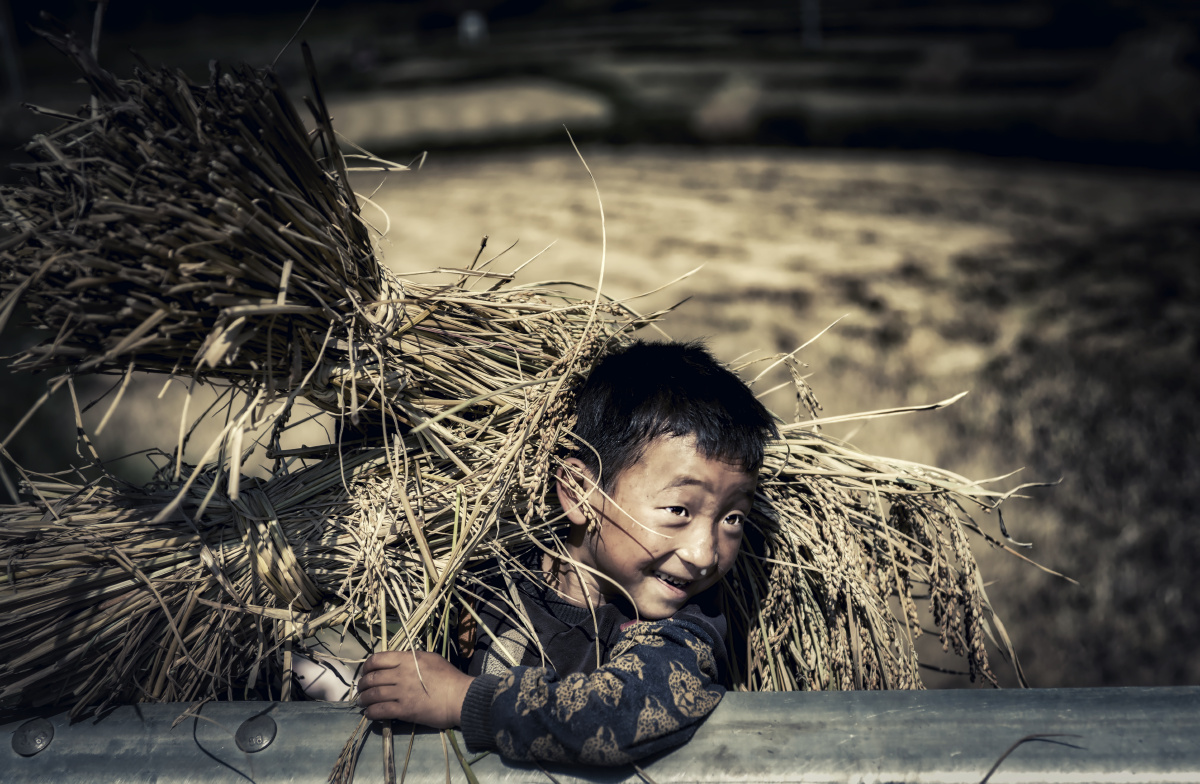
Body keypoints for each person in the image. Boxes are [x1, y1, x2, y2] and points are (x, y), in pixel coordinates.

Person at [355, 340, 778, 764]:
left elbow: (619, 717)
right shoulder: (486, 577)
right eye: (678, 510)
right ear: (580, 493)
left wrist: (460, 698)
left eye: (733, 518)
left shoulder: (688, 628)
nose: (704, 555)